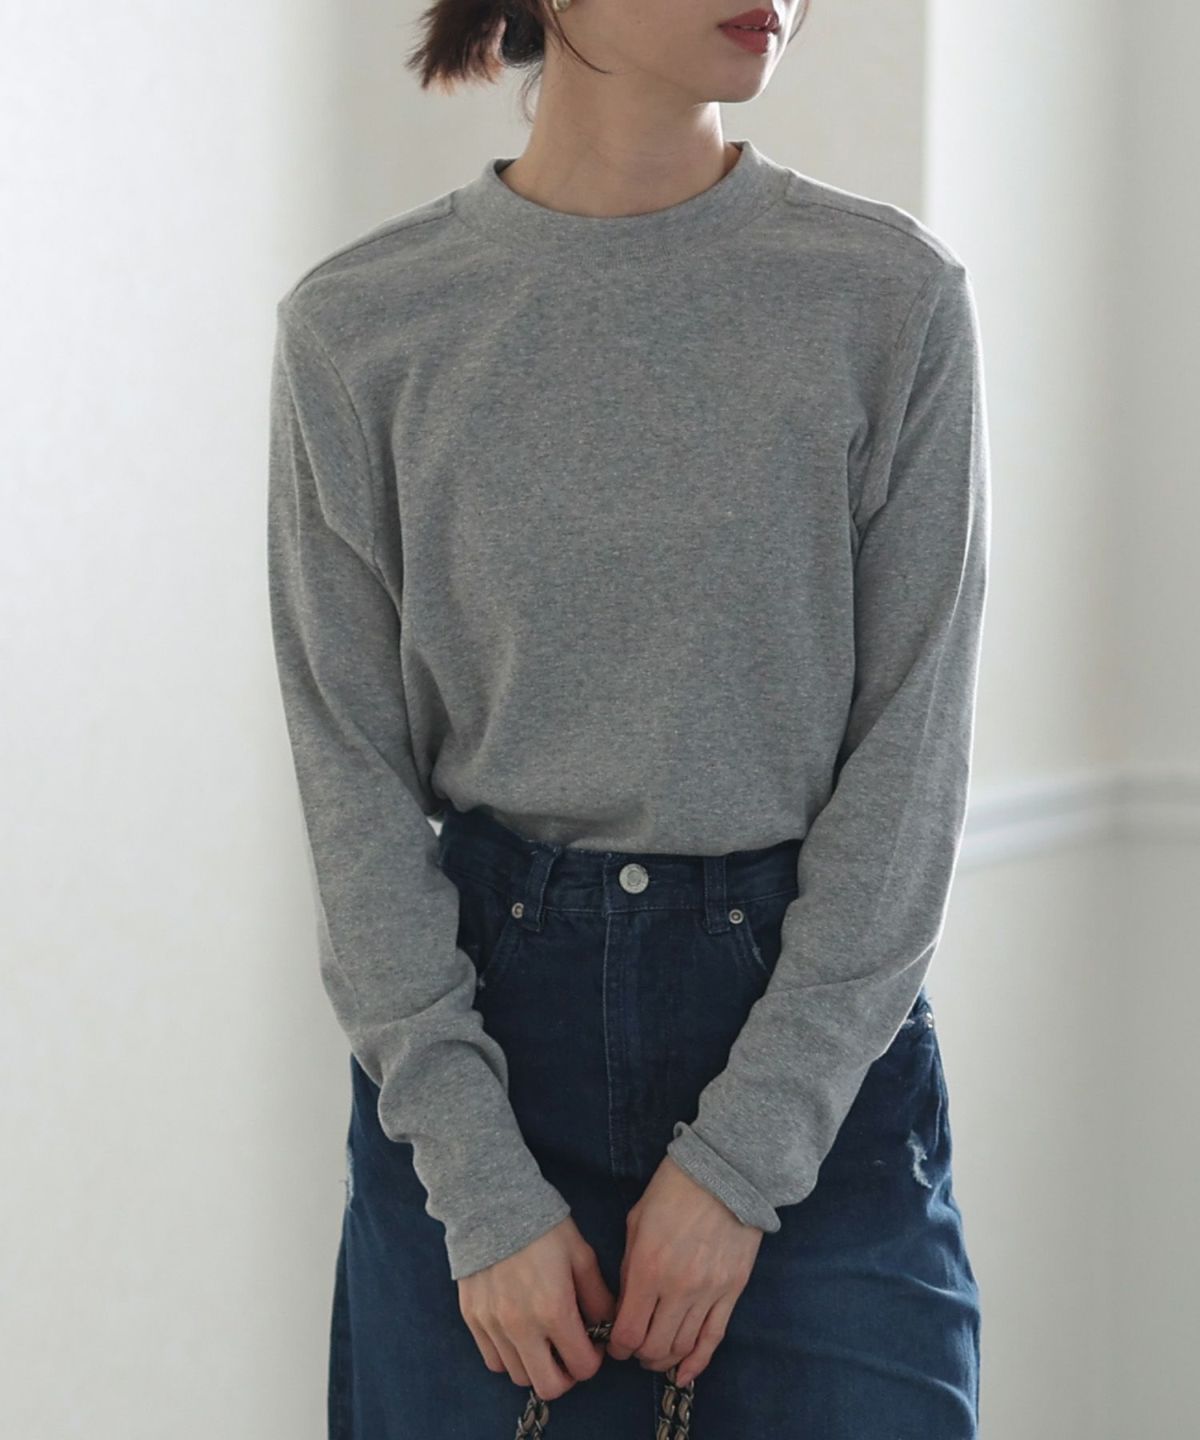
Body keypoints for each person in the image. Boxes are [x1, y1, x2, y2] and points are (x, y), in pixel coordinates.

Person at [266, 1, 990, 1434]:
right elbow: (351, 789)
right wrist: (479, 1188)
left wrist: (742, 1162)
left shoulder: (889, 297)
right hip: (482, 1080)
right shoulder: (360, 327)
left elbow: (912, 767)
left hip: (811, 1058)